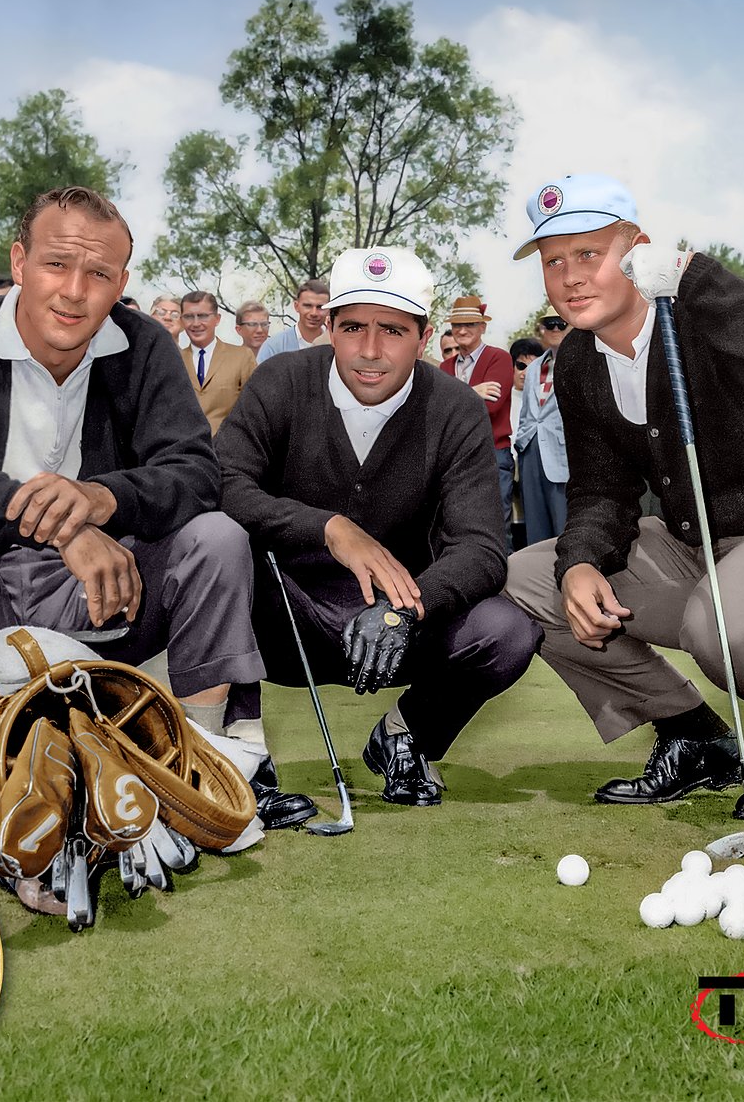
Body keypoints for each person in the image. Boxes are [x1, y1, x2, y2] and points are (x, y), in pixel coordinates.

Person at [0, 187, 282, 865]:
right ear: (20, 262)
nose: (75, 291)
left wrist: (101, 498)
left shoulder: (145, 347)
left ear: (121, 283)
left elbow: (196, 471)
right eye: (56, 264)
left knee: (218, 536)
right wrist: (64, 528)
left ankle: (206, 758)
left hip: (110, 597)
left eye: (98, 272)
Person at [505, 172, 744, 822]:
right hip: (704, 551)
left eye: (589, 254)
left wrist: (694, 274)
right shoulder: (575, 360)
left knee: (722, 620)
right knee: (527, 581)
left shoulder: (703, 313)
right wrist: (579, 563)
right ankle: (694, 736)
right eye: (553, 261)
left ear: (638, 249)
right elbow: (602, 488)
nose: (570, 277)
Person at [218, 247, 542, 809]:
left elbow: (481, 548)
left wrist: (407, 608)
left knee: (507, 632)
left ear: (424, 337)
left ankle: (404, 736)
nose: (369, 350)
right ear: (329, 328)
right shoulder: (282, 380)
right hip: (286, 614)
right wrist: (329, 528)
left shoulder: (455, 407)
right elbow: (222, 481)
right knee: (219, 551)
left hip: (400, 621)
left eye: (392, 330)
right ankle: (242, 752)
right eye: (353, 328)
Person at [440, 295, 514, 544]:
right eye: (457, 325)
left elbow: (491, 407)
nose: (462, 330)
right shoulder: (445, 367)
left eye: (469, 324)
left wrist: (452, 399)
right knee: (460, 526)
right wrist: (473, 392)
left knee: (498, 526)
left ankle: (505, 570)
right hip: (456, 458)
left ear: (482, 327)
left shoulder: (499, 358)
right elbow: (438, 412)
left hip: (494, 452)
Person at [514, 308, 569, 546]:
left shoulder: (580, 360)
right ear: (541, 329)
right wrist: (522, 443)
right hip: (531, 452)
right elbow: (527, 411)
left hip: (563, 453)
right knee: (536, 531)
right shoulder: (535, 367)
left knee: (564, 526)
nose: (555, 328)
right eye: (549, 323)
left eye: (560, 323)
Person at [179, 290, 257, 434]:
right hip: (184, 445)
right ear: (181, 320)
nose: (196, 323)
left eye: (203, 316)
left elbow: (254, 410)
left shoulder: (242, 357)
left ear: (217, 319)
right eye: (189, 317)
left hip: (228, 445)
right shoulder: (174, 360)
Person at [508, 338, 542, 551]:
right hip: (507, 473)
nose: (525, 373)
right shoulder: (501, 397)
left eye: (533, 366)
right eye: (521, 365)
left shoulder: (548, 400)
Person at [257, 279, 330, 363]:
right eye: (308, 306)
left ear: (329, 309)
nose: (314, 313)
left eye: (320, 307)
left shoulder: (336, 343)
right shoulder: (274, 347)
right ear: (296, 306)